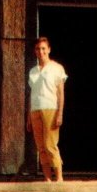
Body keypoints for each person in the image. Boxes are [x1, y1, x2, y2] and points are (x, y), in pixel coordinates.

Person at [26, 37, 67, 182]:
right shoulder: (33, 71)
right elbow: (32, 94)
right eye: (38, 49)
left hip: (51, 108)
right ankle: (48, 179)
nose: (41, 52)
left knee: (50, 145)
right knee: (41, 147)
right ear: (35, 51)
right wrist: (28, 117)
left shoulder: (57, 68)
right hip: (35, 110)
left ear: (49, 49)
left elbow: (61, 93)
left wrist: (60, 113)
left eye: (43, 48)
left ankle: (59, 179)